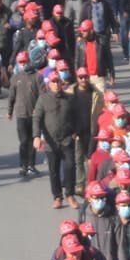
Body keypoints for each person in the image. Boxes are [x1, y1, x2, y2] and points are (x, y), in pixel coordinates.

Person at [34, 70, 80, 208]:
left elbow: (77, 116)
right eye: (53, 82)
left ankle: (70, 195)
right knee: (54, 171)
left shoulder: (69, 98)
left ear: (61, 82)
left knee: (70, 167)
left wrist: (76, 132)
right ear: (49, 84)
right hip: (51, 142)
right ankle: (57, 196)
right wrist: (37, 136)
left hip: (67, 139)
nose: (56, 84)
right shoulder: (43, 99)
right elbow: (37, 118)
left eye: (57, 81)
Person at [8, 52, 42, 178]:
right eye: (21, 62)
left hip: (34, 115)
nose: (23, 64)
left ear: (29, 61)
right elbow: (12, 96)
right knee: (23, 141)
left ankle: (31, 165)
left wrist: (40, 111)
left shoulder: (37, 77)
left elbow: (42, 96)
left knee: (33, 141)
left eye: (25, 62)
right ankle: (23, 165)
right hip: (21, 114)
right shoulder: (16, 78)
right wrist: (10, 111)